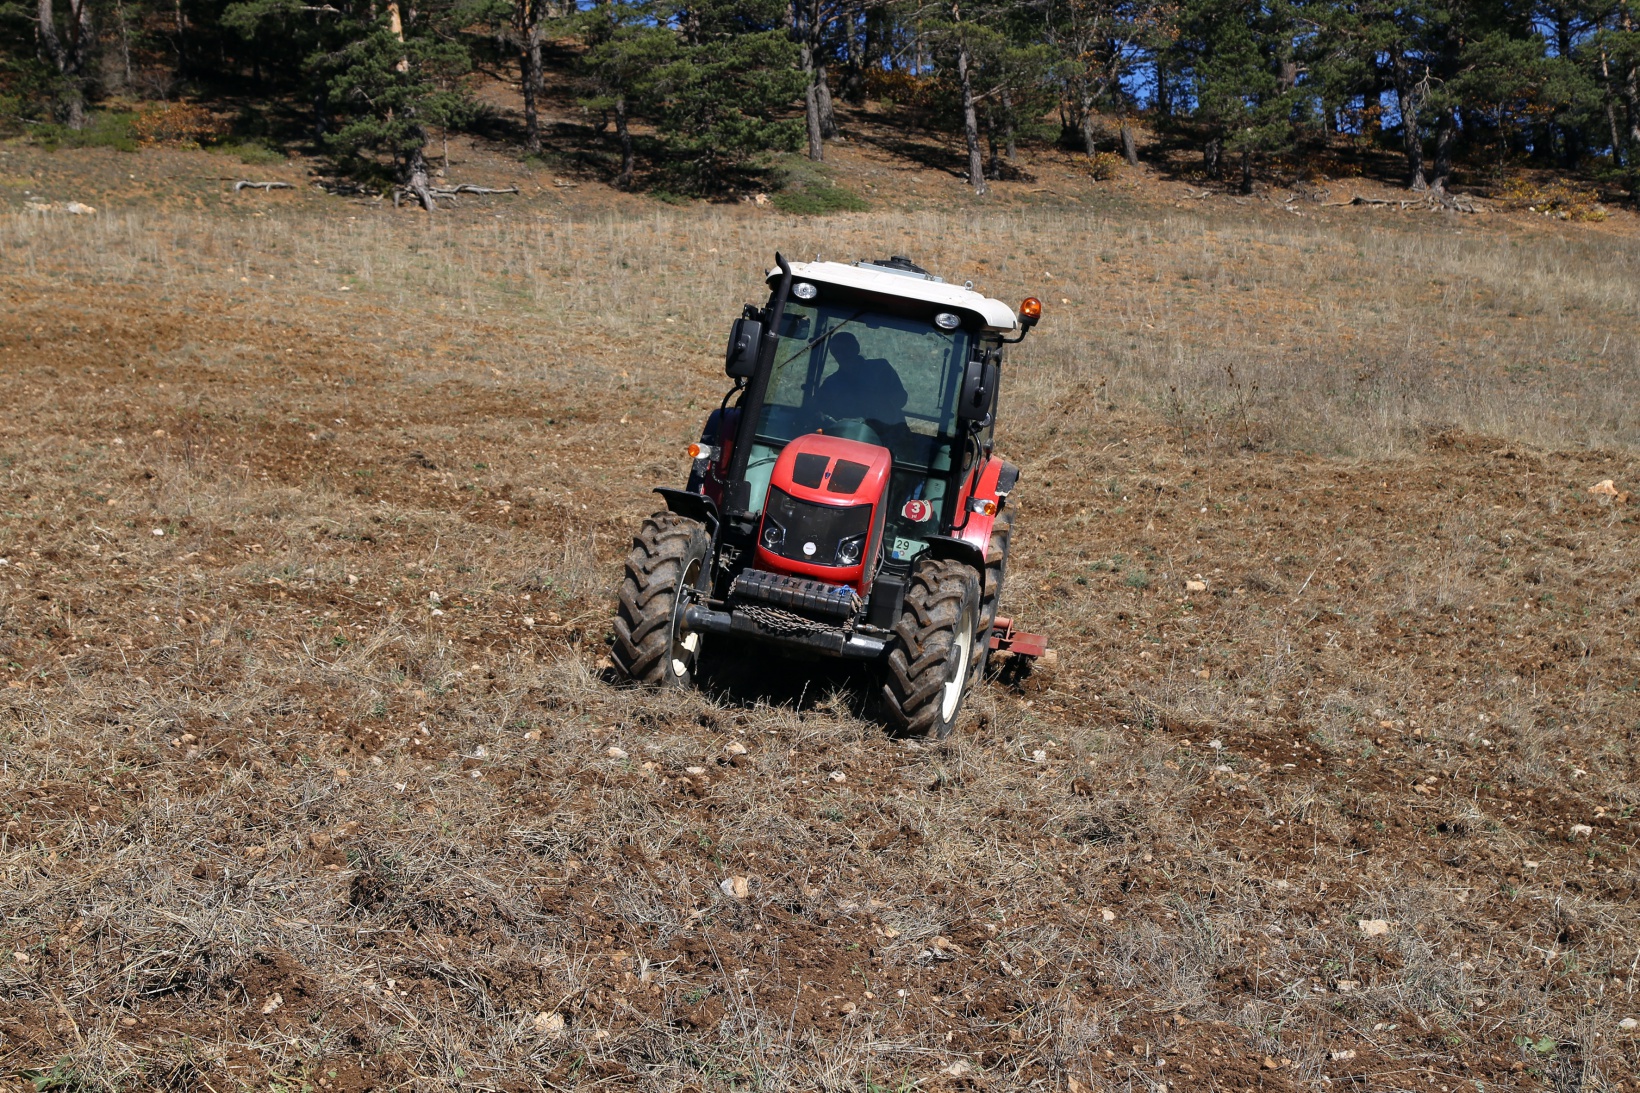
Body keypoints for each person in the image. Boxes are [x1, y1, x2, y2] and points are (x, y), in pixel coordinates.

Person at [813, 331, 908, 431]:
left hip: (889, 434)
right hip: (848, 437)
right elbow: (815, 408)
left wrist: (878, 403)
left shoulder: (881, 368)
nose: (842, 354)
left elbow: (901, 398)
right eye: (837, 351)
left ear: (856, 348)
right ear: (832, 353)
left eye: (846, 349)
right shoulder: (830, 384)